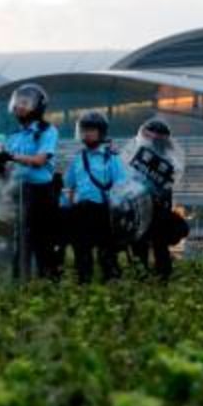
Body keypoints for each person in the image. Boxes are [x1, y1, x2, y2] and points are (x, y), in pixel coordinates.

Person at [0, 84, 61, 279]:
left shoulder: (47, 130)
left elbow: (39, 160)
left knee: (43, 242)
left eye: (25, 103)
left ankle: (49, 283)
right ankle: (20, 281)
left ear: (37, 106)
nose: (20, 106)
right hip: (16, 191)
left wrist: (10, 156)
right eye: (18, 102)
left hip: (40, 192)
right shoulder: (13, 135)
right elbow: (9, 168)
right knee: (18, 240)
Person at [64, 112, 128, 283]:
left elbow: (121, 185)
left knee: (107, 253)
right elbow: (69, 184)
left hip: (103, 211)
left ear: (101, 132)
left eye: (91, 130)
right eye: (84, 130)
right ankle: (84, 285)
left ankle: (112, 285)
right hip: (80, 210)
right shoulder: (78, 158)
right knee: (81, 252)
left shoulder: (111, 157)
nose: (87, 134)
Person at [129, 118, 187, 280]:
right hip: (146, 206)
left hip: (154, 207)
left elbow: (170, 181)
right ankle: (152, 278)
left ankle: (153, 277)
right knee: (148, 245)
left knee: (154, 246)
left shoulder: (167, 159)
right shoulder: (138, 155)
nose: (153, 140)